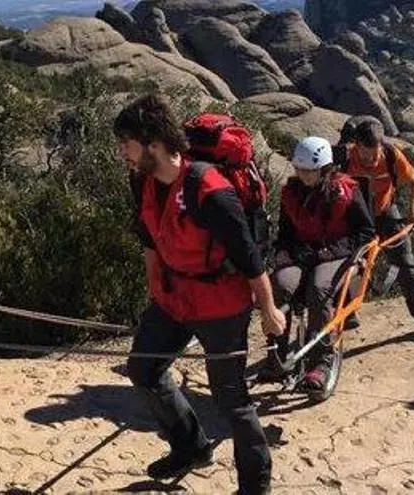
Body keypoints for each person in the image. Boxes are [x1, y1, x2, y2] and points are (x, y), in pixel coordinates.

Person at [114, 93, 286, 495]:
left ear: (154, 144)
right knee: (144, 369)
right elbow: (149, 238)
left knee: (231, 400)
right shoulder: (143, 181)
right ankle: (191, 446)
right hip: (175, 297)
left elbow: (249, 258)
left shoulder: (210, 190)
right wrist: (155, 285)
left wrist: (268, 309)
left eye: (127, 143)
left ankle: (255, 486)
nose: (122, 152)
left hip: (221, 304)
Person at [260, 136, 375, 388]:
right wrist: (283, 256)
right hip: (302, 253)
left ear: (324, 169)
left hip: (336, 253)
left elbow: (365, 232)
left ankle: (320, 362)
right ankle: (277, 355)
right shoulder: (291, 193)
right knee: (279, 285)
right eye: (299, 169)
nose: (303, 175)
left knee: (320, 289)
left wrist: (332, 253)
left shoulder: (346, 191)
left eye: (309, 171)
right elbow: (286, 232)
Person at [346, 118, 414, 336]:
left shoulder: (391, 155)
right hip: (356, 218)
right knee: (351, 263)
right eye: (365, 155)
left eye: (375, 155)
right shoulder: (345, 158)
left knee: (406, 265)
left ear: (381, 145)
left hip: (386, 213)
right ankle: (348, 311)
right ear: (356, 145)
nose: (371, 161)